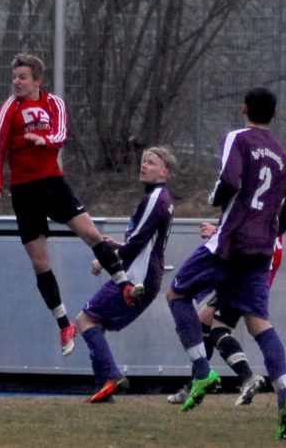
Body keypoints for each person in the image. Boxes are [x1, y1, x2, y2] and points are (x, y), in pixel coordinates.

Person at [165, 87, 286, 441]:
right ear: (273, 115)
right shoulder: (283, 155)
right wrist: (272, 230)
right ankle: (285, 397)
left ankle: (202, 371)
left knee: (177, 294)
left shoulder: (238, 138)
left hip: (230, 243)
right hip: (261, 250)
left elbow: (229, 180)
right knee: (260, 325)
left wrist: (215, 200)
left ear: (244, 108)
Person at [0, 53, 142, 356]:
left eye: (23, 77)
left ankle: (123, 284)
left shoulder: (52, 103)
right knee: (40, 263)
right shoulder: (9, 108)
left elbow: (61, 132)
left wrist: (46, 141)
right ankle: (63, 325)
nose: (16, 82)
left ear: (37, 80)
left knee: (91, 234)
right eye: (14, 77)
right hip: (24, 191)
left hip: (53, 185)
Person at [76, 146, 176, 403]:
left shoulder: (156, 198)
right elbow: (138, 241)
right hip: (143, 278)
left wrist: (109, 257)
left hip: (136, 280)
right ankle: (103, 388)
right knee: (96, 325)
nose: (144, 166)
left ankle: (110, 376)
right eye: (143, 161)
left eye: (151, 163)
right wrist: (115, 248)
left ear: (165, 171)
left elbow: (136, 244)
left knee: (84, 321)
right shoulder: (158, 198)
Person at [167, 230, 283, 406]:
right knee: (203, 321)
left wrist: (215, 232)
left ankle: (248, 377)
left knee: (218, 329)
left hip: (247, 282)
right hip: (250, 281)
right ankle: (196, 382)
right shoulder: (272, 224)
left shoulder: (264, 220)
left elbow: (249, 240)